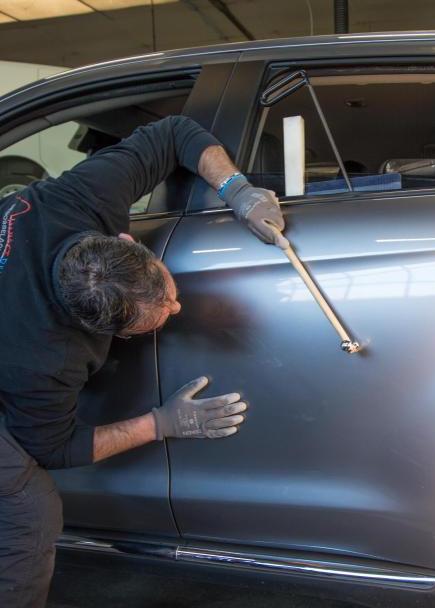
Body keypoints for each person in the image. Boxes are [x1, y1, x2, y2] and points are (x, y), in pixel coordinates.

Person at [0, 115, 285, 608]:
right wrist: (159, 424)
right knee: (29, 512)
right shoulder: (41, 358)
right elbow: (52, 447)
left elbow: (173, 132)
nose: (177, 309)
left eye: (169, 294)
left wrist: (237, 191)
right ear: (99, 331)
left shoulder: (81, 197)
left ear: (127, 242)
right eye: (155, 321)